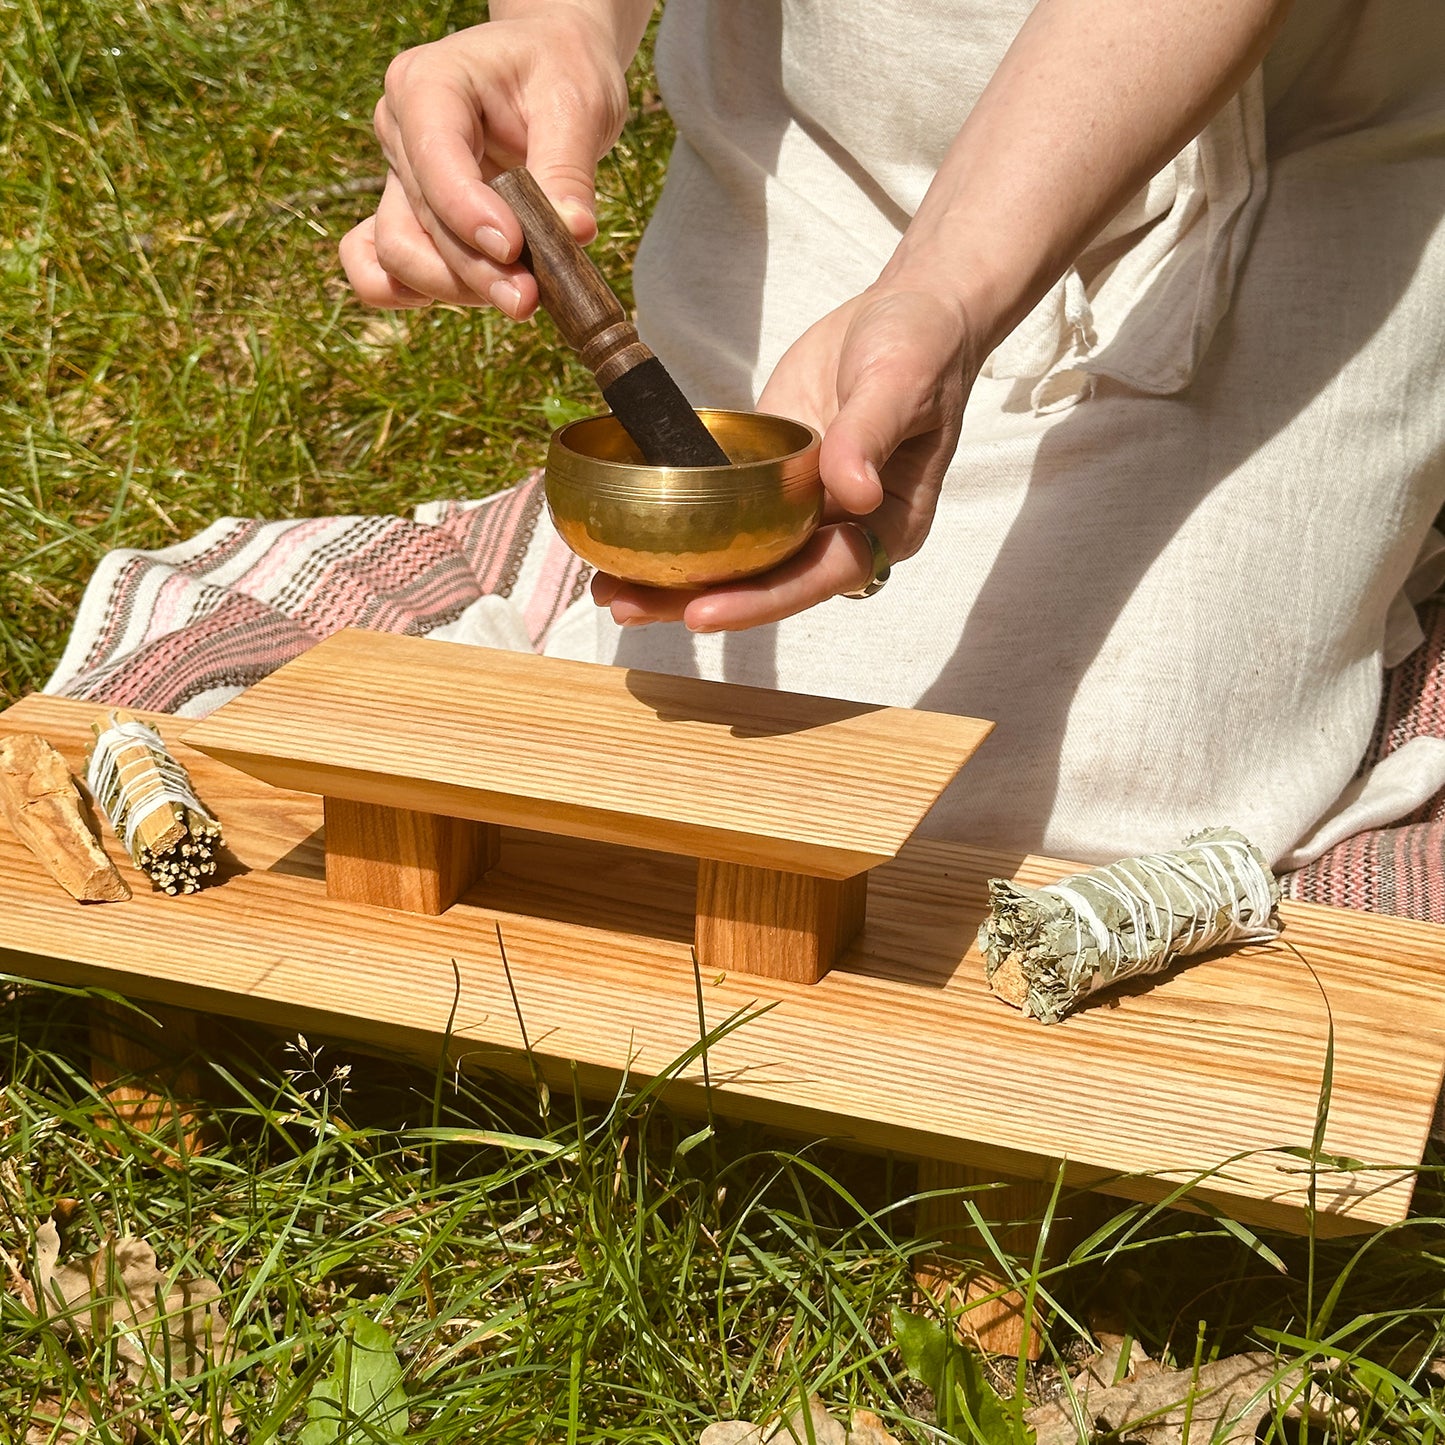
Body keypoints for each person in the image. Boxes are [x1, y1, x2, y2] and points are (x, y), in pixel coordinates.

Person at [339, 0, 1445, 870]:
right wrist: (557, 30)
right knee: (698, 755)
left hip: (1252, 149)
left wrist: (946, 290)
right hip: (811, 143)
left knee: (1058, 806)